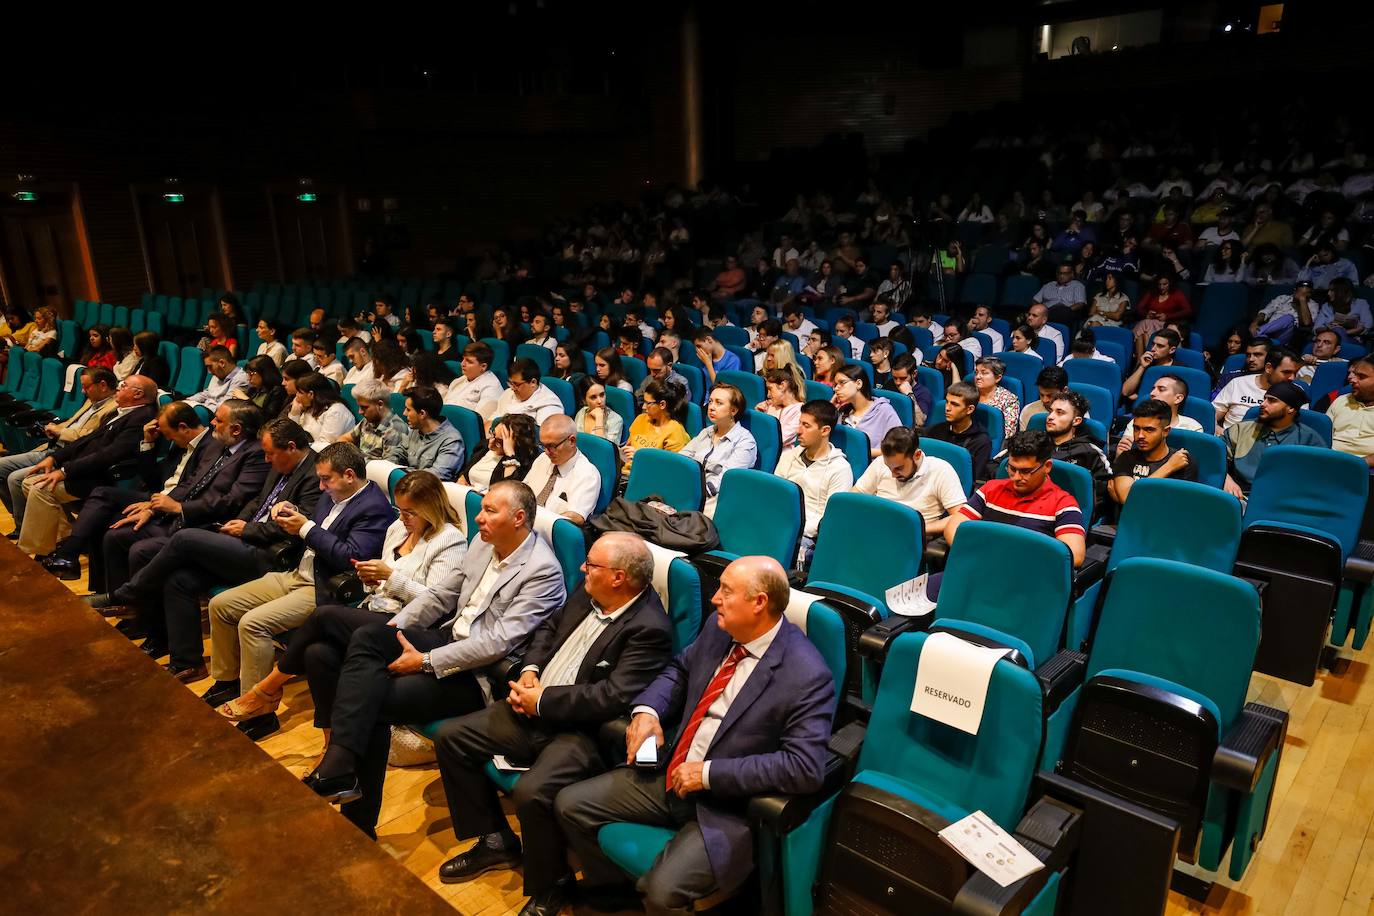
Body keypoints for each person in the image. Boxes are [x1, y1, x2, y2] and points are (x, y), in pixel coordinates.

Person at [555, 555, 834, 916]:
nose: (715, 598)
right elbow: (680, 670)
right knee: (569, 804)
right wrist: (648, 712)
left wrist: (707, 774)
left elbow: (803, 767)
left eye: (726, 591)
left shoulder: (807, 675)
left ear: (759, 602)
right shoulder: (721, 629)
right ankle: (617, 894)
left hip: (725, 806)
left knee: (662, 892)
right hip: (671, 774)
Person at [302, 480, 566, 836]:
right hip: (447, 637)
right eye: (482, 508)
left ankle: (354, 808)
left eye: (490, 510)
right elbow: (442, 594)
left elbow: (497, 643)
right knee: (349, 642)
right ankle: (342, 769)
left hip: (478, 675)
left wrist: (425, 660)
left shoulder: (542, 571)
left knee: (374, 700)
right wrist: (392, 631)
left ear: (519, 518)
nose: (479, 517)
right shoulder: (483, 543)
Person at [433, 532, 673, 915]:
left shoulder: (649, 628)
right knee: (452, 737)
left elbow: (611, 697)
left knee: (532, 792)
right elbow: (548, 626)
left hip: (581, 732)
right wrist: (530, 669)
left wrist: (542, 701)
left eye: (591, 564)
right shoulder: (591, 589)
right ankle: (496, 839)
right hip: (532, 705)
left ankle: (551, 884)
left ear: (619, 577)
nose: (581, 568)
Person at [215, 469, 467, 722]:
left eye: (409, 512)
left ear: (431, 507)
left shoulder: (449, 540)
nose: (402, 518)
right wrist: (370, 578)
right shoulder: (398, 529)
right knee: (317, 653)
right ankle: (330, 739)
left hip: (409, 626)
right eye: (399, 509)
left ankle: (266, 689)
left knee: (323, 615)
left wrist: (390, 577)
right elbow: (379, 583)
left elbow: (437, 603)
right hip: (374, 611)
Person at [94, 419, 323, 684]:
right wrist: (238, 523)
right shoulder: (281, 465)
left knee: (184, 538)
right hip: (243, 542)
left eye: (270, 453)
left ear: (291, 447)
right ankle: (187, 663)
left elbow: (295, 528)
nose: (266, 458)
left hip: (269, 556)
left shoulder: (315, 475)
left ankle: (126, 594)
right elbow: (258, 502)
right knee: (179, 580)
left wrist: (247, 529)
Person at [207, 443, 395, 740]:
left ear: (349, 475)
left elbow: (350, 556)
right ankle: (227, 681)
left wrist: (306, 527)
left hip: (323, 587)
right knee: (221, 604)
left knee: (253, 623)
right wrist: (293, 512)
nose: (320, 486)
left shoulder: (374, 509)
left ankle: (260, 712)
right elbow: (314, 524)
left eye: (326, 479)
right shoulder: (332, 493)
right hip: (296, 572)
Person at [96, 400, 269, 601]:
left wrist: (180, 508)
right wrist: (154, 508)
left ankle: (140, 615)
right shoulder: (218, 445)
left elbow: (233, 501)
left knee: (141, 550)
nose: (212, 422)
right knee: (115, 536)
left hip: (207, 526)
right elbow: (189, 484)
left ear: (236, 429)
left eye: (218, 420)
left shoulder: (255, 454)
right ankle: (122, 607)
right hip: (182, 519)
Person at [35, 399, 218, 579]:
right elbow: (153, 478)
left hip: (171, 503)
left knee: (103, 521)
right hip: (156, 495)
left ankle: (69, 557)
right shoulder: (180, 445)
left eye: (169, 435)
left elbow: (191, 487)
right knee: (101, 493)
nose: (168, 439)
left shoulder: (210, 448)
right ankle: (69, 557)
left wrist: (152, 506)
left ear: (184, 427)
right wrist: (148, 442)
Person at [15, 375, 159, 558]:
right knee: (29, 483)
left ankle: (39, 551)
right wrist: (55, 458)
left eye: (123, 386)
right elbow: (86, 439)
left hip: (100, 476)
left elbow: (110, 455)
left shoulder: (142, 417)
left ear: (137, 394)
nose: (118, 388)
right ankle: (62, 539)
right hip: (83, 467)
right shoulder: (120, 411)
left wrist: (65, 472)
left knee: (40, 488)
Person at [0, 367, 118, 533]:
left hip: (69, 456)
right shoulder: (91, 400)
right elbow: (73, 422)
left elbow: (90, 437)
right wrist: (54, 427)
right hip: (51, 448)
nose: (83, 391)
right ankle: (22, 522)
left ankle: (29, 529)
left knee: (16, 479)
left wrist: (60, 431)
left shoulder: (113, 408)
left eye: (86, 386)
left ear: (103, 385)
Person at [944, 430, 1086, 567]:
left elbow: (1075, 556)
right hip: (979, 566)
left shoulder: (1063, 504)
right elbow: (954, 527)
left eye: (1025, 471)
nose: (1016, 477)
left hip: (1022, 580)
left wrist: (1010, 561)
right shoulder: (991, 489)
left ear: (1047, 466)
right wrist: (976, 555)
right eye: (1012, 468)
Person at [773, 400, 854, 567]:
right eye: (799, 424)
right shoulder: (790, 456)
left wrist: (795, 526)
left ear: (825, 430)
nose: (798, 431)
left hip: (808, 537)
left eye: (806, 426)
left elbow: (830, 519)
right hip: (780, 524)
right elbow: (775, 495)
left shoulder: (840, 469)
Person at [852, 426, 966, 532]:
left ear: (917, 455)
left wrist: (919, 530)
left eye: (899, 468)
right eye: (889, 467)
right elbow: (853, 498)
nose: (893, 474)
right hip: (876, 529)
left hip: (911, 539)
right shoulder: (880, 463)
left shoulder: (941, 470)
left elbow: (960, 517)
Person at [1222, 381, 1325, 497]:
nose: (1263, 404)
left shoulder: (1309, 439)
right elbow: (1214, 457)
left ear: (1291, 408)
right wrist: (1226, 478)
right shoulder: (1241, 429)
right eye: (1264, 399)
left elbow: (1319, 478)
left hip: (1283, 500)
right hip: (1238, 494)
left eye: (1272, 401)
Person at [680, 384, 758, 514]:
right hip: (690, 488)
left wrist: (697, 492)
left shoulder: (745, 441)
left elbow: (728, 479)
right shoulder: (706, 432)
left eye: (719, 403)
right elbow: (683, 457)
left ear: (733, 410)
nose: (711, 407)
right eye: (710, 401)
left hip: (716, 499)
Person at [1110, 399, 1199, 510]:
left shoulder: (1183, 461)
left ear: (1166, 431)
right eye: (1136, 428)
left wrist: (1135, 494)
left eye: (1149, 430)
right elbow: (1127, 498)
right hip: (1126, 524)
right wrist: (1168, 467)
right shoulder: (1126, 457)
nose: (1140, 435)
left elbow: (1173, 508)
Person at [524, 414, 604, 526]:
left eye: (552, 446)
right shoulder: (542, 459)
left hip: (549, 532)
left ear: (571, 441)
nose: (547, 452)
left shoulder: (587, 474)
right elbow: (523, 491)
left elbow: (576, 517)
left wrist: (533, 519)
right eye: (543, 446)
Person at [1043, 390, 1113, 509]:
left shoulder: (1090, 451)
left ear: (1076, 421)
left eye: (1059, 413)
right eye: (1050, 411)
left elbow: (1105, 488)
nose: (1050, 417)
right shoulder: (1036, 442)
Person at [387, 386, 464, 481]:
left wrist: (402, 473)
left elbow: (435, 476)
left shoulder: (451, 441)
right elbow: (399, 452)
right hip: (407, 485)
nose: (404, 413)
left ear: (422, 414)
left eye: (408, 409)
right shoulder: (415, 429)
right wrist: (387, 467)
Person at [1214, 347, 1302, 430]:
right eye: (1287, 372)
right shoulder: (1238, 383)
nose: (1292, 378)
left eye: (1295, 373)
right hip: (1229, 439)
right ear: (1269, 368)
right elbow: (1212, 415)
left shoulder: (1297, 393)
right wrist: (1217, 429)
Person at [1118, 373, 1204, 454]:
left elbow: (1193, 462)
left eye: (1161, 389)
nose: (1152, 394)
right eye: (1153, 389)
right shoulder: (1138, 422)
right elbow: (1123, 457)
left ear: (1178, 398)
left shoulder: (1193, 428)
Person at [622, 379, 690, 479]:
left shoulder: (675, 431)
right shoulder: (641, 419)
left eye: (648, 403)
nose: (644, 407)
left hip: (649, 480)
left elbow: (671, 471)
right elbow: (627, 451)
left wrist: (641, 457)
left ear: (662, 405)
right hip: (626, 475)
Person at [925, 381, 993, 479]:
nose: (947, 408)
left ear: (970, 409)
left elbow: (973, 480)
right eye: (947, 402)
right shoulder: (934, 431)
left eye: (955, 404)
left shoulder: (981, 442)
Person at [832, 364, 901, 458]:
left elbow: (898, 447)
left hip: (872, 466)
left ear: (858, 384)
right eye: (835, 385)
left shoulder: (883, 410)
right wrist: (831, 408)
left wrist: (861, 452)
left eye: (842, 383)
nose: (836, 388)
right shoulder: (842, 411)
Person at [460, 414, 539, 492]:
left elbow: (508, 490)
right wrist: (462, 480)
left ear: (516, 444)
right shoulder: (484, 446)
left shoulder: (523, 463)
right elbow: (465, 473)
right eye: (493, 433)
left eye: (499, 441)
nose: (491, 441)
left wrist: (510, 455)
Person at [339, 377, 409, 460]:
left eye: (364, 407)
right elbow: (344, 438)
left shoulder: (395, 430)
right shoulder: (369, 420)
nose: (360, 412)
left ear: (380, 404)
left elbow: (388, 468)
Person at [289, 372, 357, 447]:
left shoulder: (336, 412)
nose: (296, 395)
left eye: (300, 392)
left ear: (311, 394)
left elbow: (326, 446)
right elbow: (290, 434)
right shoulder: (310, 407)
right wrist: (295, 414)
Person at [444, 341, 505, 423]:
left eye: (469, 361)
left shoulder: (492, 388)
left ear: (483, 366)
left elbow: (479, 422)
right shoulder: (459, 380)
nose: (462, 364)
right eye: (463, 359)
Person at [496, 358, 566, 427]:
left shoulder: (549, 405)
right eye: (510, 383)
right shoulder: (508, 393)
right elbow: (492, 421)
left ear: (533, 382)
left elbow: (542, 436)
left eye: (516, 384)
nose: (512, 388)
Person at [183, 346, 249, 412]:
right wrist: (187, 401)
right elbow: (207, 393)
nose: (209, 372)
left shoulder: (241, 379)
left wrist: (200, 407)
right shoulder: (218, 374)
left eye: (210, 366)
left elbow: (225, 407)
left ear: (222, 363)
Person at [1122, 328, 1181, 401]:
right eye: (1153, 344)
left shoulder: (1180, 369)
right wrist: (1142, 367)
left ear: (1172, 350)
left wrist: (1139, 396)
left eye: (1160, 346)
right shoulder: (1146, 362)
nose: (1153, 348)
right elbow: (1125, 392)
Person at [973, 356, 1020, 443]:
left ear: (998, 378)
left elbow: (1008, 434)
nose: (978, 377)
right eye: (976, 372)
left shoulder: (1009, 400)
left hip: (991, 442)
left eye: (984, 373)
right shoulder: (969, 393)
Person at [755, 367, 803, 448]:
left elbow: (777, 440)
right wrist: (758, 415)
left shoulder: (800, 411)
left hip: (783, 457)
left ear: (783, 386)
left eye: (770, 389)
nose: (768, 395)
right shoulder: (770, 406)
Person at [883, 353, 933, 427]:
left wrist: (910, 395)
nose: (897, 382)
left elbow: (920, 422)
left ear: (914, 374)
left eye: (903, 378)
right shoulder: (889, 384)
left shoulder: (923, 392)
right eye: (895, 378)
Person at [573, 375, 624, 445]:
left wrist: (599, 419)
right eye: (593, 397)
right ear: (584, 400)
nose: (600, 401)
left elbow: (605, 451)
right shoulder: (581, 413)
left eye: (602, 395)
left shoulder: (616, 420)